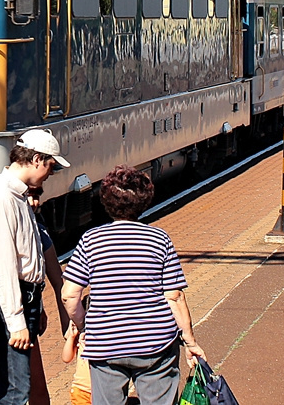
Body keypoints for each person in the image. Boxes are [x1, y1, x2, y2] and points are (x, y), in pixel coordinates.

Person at [61, 165, 206, 405]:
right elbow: (175, 296)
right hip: (155, 343)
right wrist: (190, 341)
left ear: (106, 202)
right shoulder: (159, 239)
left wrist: (83, 324)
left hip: (105, 343)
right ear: (145, 201)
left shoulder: (91, 240)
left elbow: (69, 295)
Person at [0, 128, 70, 405]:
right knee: (15, 389)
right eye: (50, 167)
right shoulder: (3, 198)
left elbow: (27, 256)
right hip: (12, 298)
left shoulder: (15, 195)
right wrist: (16, 322)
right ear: (37, 159)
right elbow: (4, 266)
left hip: (24, 297)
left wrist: (35, 308)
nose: (49, 174)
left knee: (15, 384)